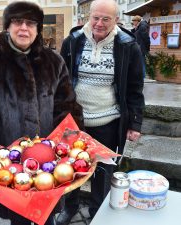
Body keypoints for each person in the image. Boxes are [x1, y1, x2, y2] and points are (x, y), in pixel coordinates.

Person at [0, 1, 84, 225]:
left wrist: (71, 144)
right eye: (17, 22)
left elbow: (66, 106)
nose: (24, 28)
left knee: (46, 214)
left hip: (49, 159)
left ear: (38, 29)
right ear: (8, 26)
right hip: (10, 160)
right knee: (18, 215)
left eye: (30, 23)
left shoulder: (54, 61)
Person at [57, 0, 144, 224]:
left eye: (106, 19)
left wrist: (135, 123)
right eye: (95, 17)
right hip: (75, 123)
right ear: (89, 16)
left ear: (116, 19)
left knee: (103, 172)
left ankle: (98, 211)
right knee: (69, 168)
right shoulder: (72, 41)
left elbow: (135, 88)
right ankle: (70, 207)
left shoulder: (127, 45)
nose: (99, 23)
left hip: (109, 122)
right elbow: (59, 80)